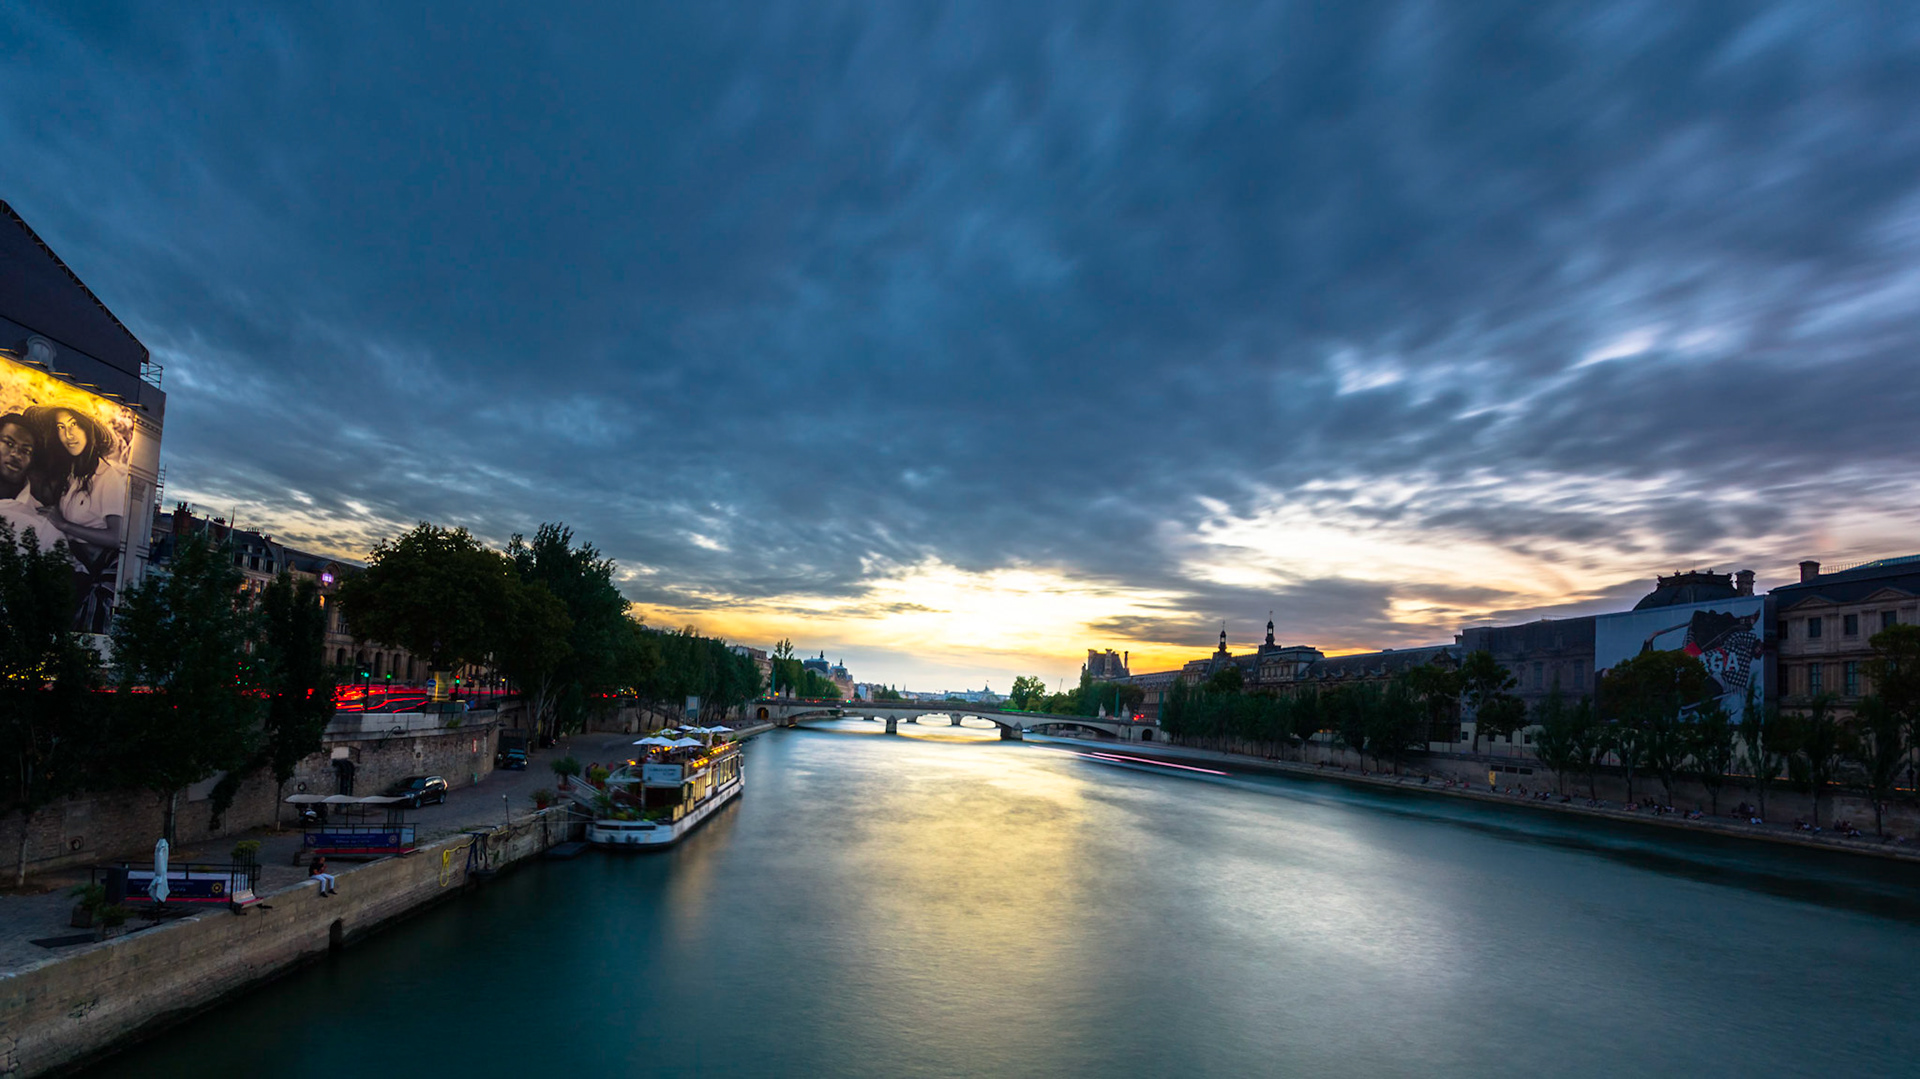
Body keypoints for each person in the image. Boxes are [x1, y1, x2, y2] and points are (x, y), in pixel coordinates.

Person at [26, 406, 128, 632]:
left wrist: (64, 525)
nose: (68, 434)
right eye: (61, 427)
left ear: (88, 429)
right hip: (72, 564)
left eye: (74, 425)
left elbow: (116, 537)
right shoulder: (72, 473)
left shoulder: (108, 477)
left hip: (98, 575)